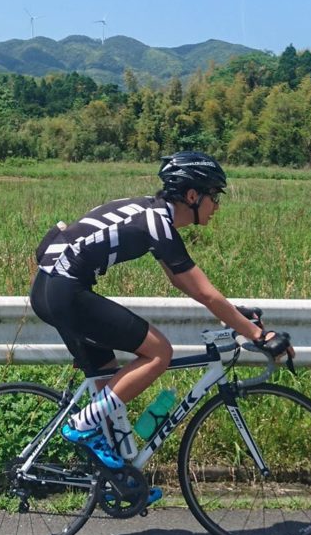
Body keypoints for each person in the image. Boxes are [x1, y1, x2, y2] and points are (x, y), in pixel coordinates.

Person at [29, 151, 293, 482]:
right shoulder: (157, 224)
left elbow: (182, 280)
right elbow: (203, 292)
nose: (217, 206)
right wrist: (258, 335)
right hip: (65, 291)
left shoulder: (151, 214)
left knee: (109, 379)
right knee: (159, 352)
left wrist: (235, 315)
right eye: (214, 196)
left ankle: (117, 480)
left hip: (49, 287)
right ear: (193, 196)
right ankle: (81, 426)